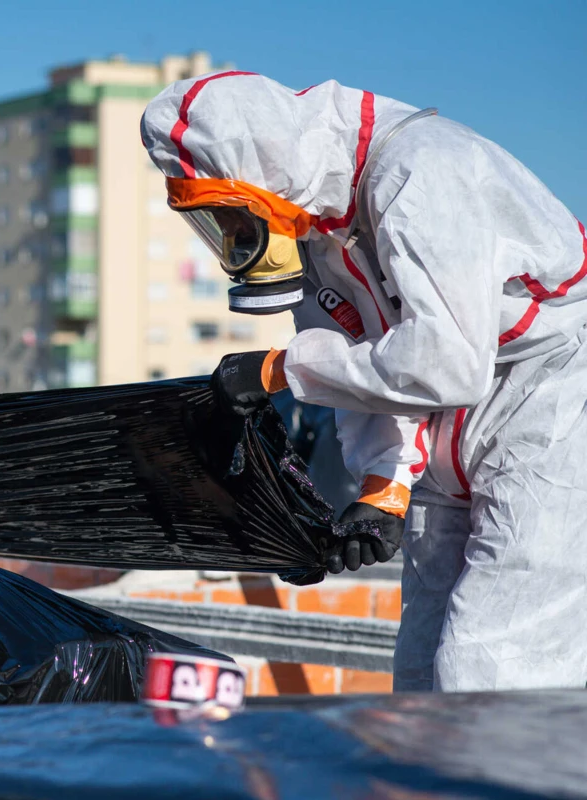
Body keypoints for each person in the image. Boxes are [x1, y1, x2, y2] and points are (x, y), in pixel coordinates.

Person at [141, 72, 587, 692]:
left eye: (230, 217)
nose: (233, 240)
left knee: (495, 668)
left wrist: (279, 370)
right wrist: (384, 487)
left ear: (261, 169)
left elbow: (444, 362)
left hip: (554, 400)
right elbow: (366, 366)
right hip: (458, 416)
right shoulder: (319, 225)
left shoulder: (423, 173)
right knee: (422, 669)